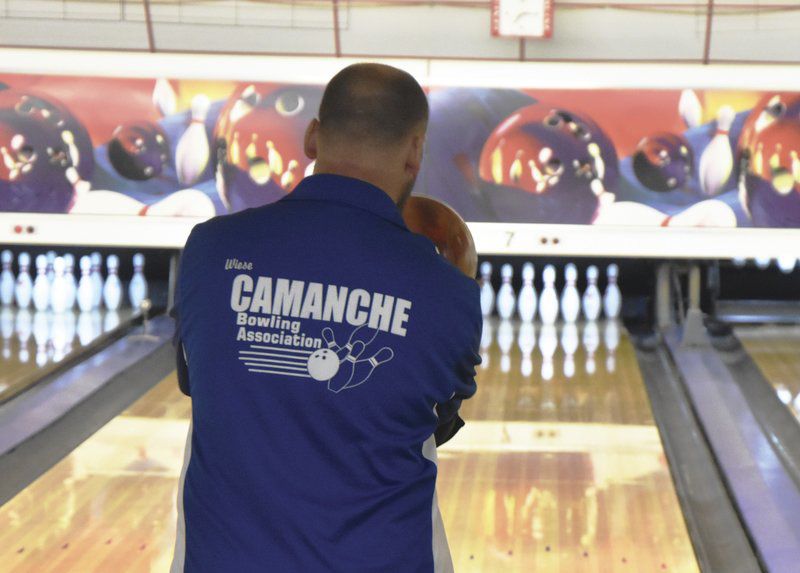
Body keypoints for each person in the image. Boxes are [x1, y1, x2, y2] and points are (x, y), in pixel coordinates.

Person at [170, 63, 482, 573]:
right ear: (415, 152)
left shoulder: (209, 250)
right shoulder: (449, 293)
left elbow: (200, 378)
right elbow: (438, 420)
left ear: (312, 136)